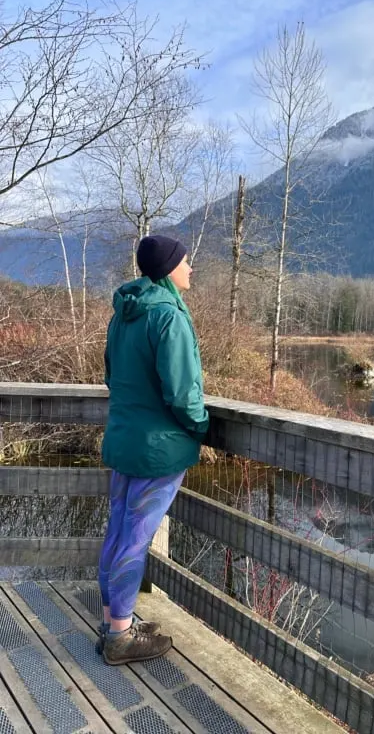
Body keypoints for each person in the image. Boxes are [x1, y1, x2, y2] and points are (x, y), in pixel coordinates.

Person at [97, 234, 209, 665]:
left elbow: (112, 377)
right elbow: (182, 394)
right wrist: (200, 427)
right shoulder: (168, 317)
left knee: (118, 531)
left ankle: (113, 624)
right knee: (135, 539)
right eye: (186, 261)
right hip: (157, 449)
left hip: (125, 439)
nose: (191, 267)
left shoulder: (122, 315)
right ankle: (121, 637)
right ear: (168, 269)